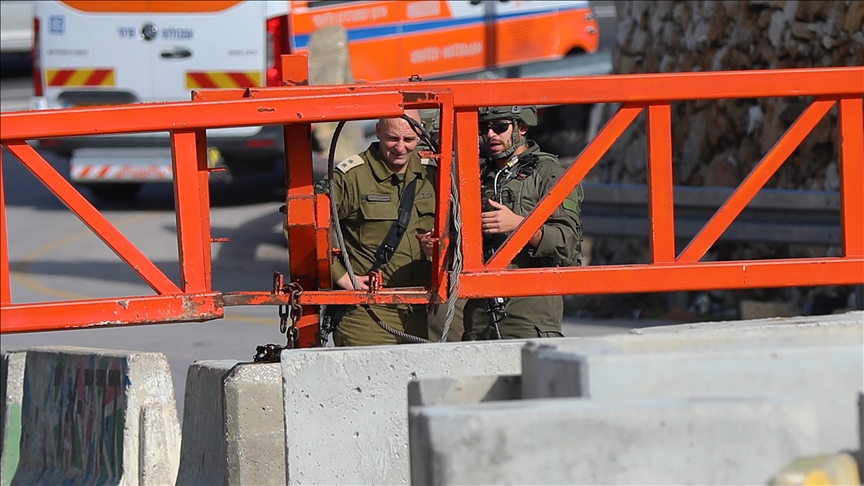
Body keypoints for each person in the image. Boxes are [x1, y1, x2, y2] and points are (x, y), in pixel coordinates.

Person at [462, 106, 584, 340]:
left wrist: (519, 225)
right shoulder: (474, 175)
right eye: (484, 128)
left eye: (500, 127)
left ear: (522, 128)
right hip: (479, 315)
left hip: (530, 313)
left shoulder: (549, 174)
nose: (490, 135)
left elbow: (567, 243)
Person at [323, 110, 437, 346]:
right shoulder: (352, 177)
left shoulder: (432, 173)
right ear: (377, 131)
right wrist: (342, 276)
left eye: (409, 140)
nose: (400, 148)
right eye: (392, 139)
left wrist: (439, 250)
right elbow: (305, 225)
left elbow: (458, 227)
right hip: (367, 314)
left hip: (420, 310)